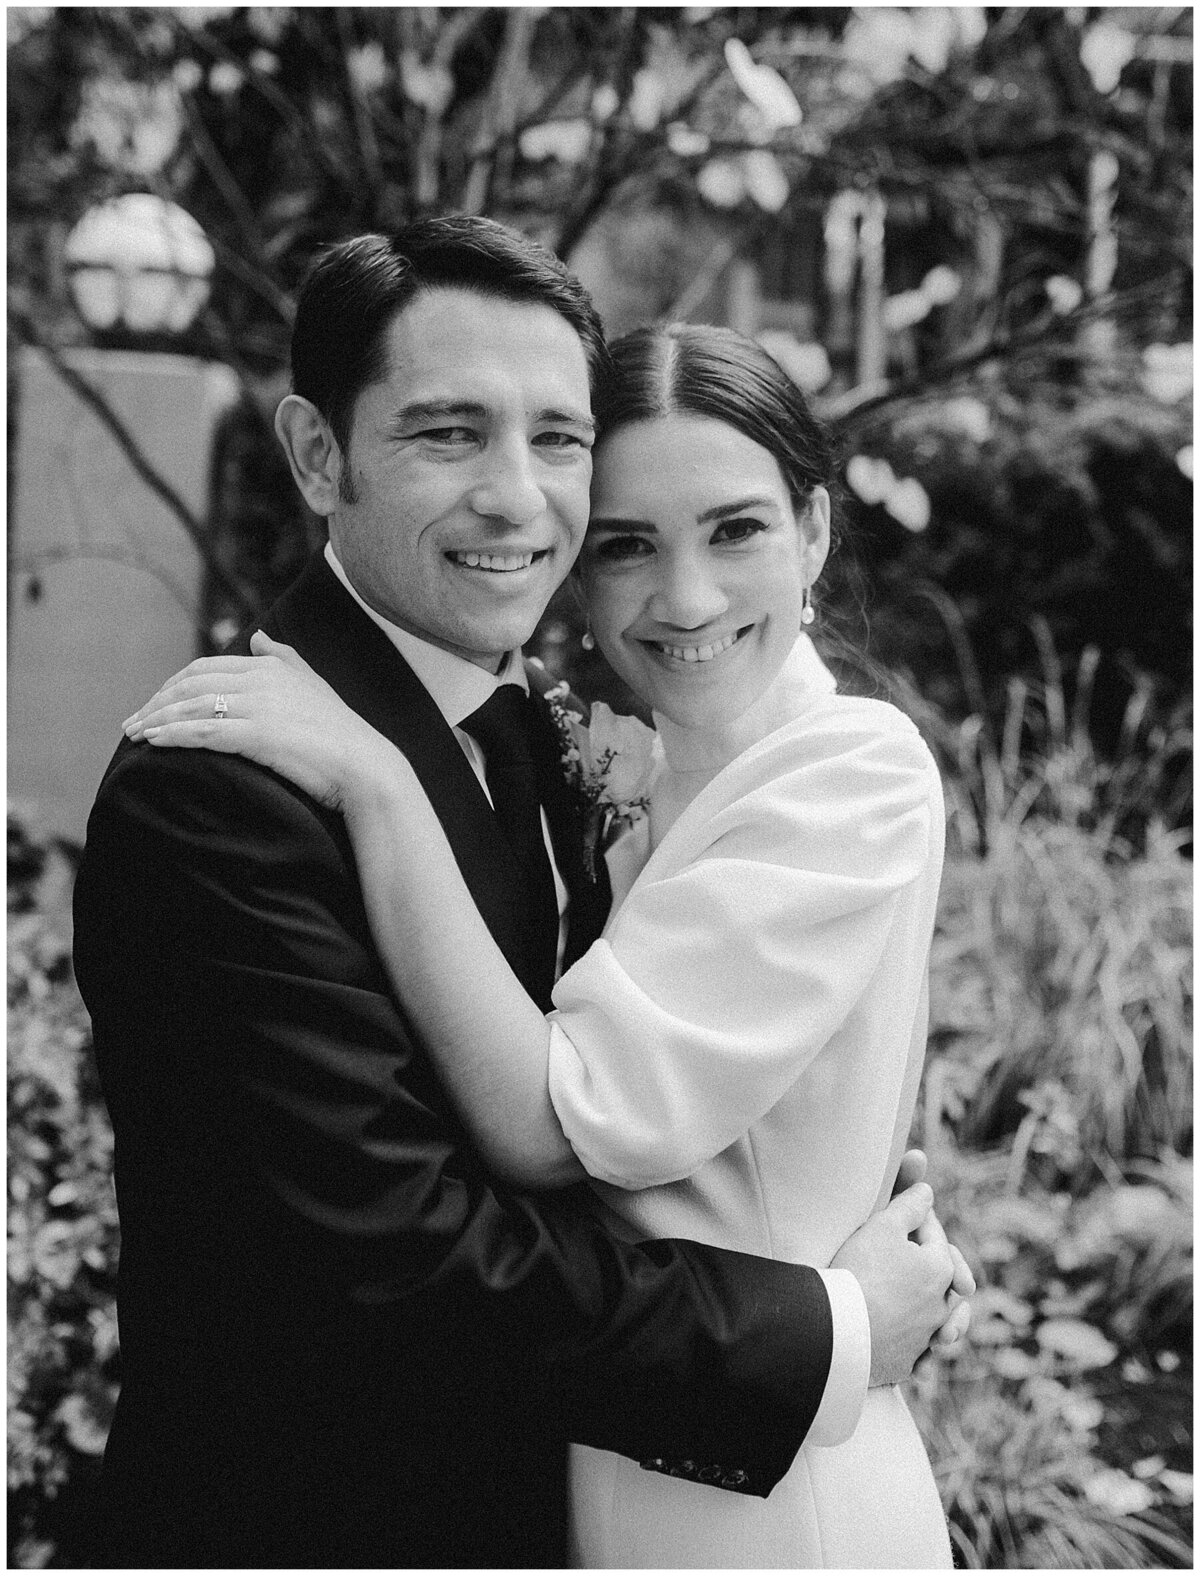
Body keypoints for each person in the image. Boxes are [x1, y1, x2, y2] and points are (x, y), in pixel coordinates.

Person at [122, 300, 971, 1568]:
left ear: (815, 529)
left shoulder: (845, 769)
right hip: (614, 1445)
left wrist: (376, 789)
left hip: (756, 1497)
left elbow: (550, 1116)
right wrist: (840, 1311)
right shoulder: (605, 765)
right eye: (628, 544)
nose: (683, 594)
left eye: (736, 528)